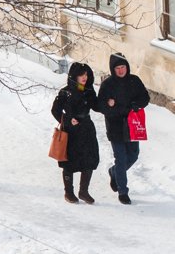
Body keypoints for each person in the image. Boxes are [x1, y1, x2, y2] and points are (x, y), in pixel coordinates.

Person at [97, 53, 150, 205]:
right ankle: (123, 191)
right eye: (117, 68)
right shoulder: (107, 85)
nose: (121, 71)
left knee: (133, 155)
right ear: (113, 70)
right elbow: (100, 106)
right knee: (121, 159)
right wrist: (109, 105)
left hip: (133, 125)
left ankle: (114, 172)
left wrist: (136, 104)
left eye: (123, 67)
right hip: (115, 126)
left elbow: (145, 97)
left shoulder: (134, 81)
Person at [51, 62, 100, 204]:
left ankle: (84, 191)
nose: (84, 77)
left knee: (90, 159)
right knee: (69, 161)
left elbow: (95, 105)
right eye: (81, 75)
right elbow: (55, 110)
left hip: (86, 128)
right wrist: (68, 119)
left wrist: (107, 104)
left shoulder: (87, 90)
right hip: (71, 131)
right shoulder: (65, 92)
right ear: (74, 76)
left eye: (86, 74)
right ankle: (69, 192)